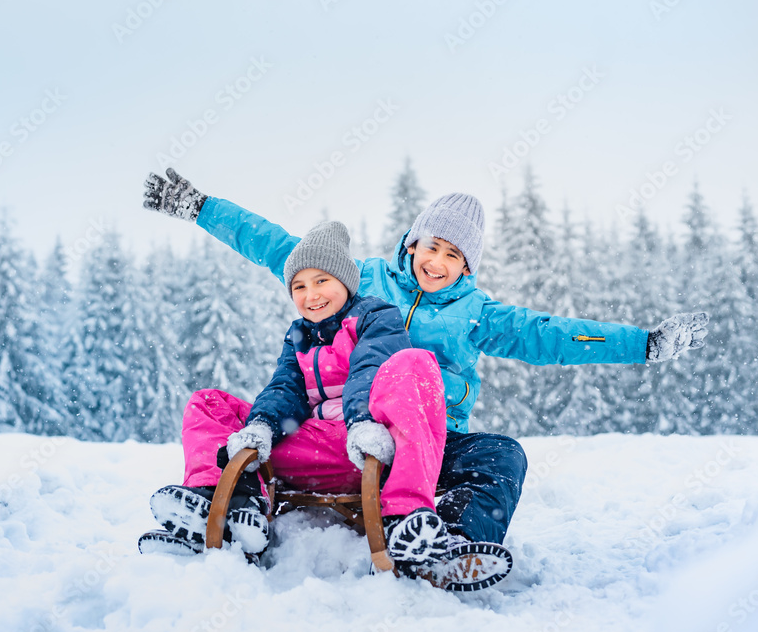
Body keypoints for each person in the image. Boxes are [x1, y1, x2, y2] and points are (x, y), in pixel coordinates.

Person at [141, 168, 709, 551]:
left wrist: (643, 344)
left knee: (503, 458)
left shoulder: (477, 314)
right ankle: (223, 503)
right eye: (430, 245)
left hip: (426, 442)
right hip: (340, 428)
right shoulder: (359, 279)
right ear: (410, 244)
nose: (436, 261)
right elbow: (277, 247)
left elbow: (553, 335)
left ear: (468, 266)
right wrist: (202, 208)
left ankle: (452, 544)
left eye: (453, 254)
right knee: (234, 411)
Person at [139, 221, 514, 589]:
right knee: (208, 402)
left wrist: (362, 421)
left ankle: (430, 535)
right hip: (309, 449)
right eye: (299, 286)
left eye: (322, 281)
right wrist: (261, 426)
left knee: (484, 435)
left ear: (345, 283)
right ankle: (223, 503)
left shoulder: (375, 316)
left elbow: (370, 366)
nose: (311, 294)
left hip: (372, 449)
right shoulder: (299, 335)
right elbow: (285, 388)